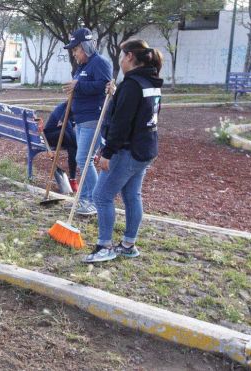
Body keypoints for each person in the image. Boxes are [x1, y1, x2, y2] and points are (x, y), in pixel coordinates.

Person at [83, 39, 163, 263]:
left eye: (121, 56)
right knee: (131, 195)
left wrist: (107, 153)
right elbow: (139, 112)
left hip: (127, 151)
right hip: (145, 149)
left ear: (129, 57)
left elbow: (121, 123)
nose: (120, 60)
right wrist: (117, 94)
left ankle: (104, 246)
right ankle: (128, 245)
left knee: (101, 196)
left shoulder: (132, 84)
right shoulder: (150, 81)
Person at [62, 28, 112, 214]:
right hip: (81, 119)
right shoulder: (83, 66)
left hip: (94, 117)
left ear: (85, 46)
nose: (74, 53)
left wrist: (78, 85)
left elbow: (104, 86)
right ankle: (84, 199)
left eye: (76, 49)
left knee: (84, 158)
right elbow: (82, 86)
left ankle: (94, 200)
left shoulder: (99, 62)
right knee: (82, 158)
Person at [38, 103, 79, 193]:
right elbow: (70, 133)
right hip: (50, 137)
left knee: (72, 144)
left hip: (62, 136)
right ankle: (73, 179)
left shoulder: (75, 109)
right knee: (70, 140)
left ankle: (72, 179)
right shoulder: (62, 110)